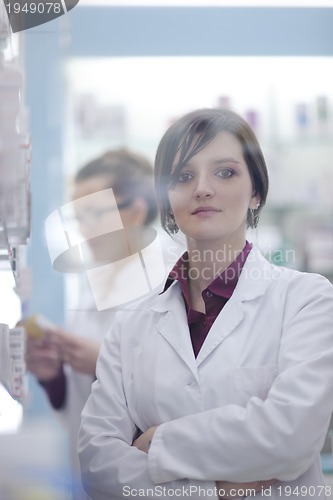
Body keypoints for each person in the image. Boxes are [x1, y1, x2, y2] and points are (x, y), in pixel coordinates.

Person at [78, 108, 333, 500]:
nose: (202, 188)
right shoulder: (132, 322)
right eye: (183, 176)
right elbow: (98, 464)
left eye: (225, 172)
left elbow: (290, 436)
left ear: (256, 192)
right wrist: (213, 491)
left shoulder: (307, 301)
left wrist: (156, 442)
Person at [25, 148, 161, 500]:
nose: (81, 229)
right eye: (76, 216)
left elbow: (184, 399)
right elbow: (81, 411)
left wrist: (104, 363)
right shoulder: (92, 291)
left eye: (92, 214)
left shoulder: (170, 289)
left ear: (134, 213)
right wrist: (52, 376)